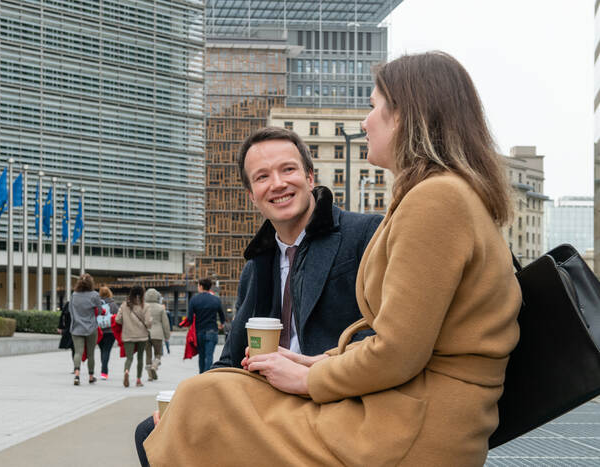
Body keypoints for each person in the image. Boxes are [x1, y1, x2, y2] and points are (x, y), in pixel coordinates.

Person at [142, 52, 522, 465]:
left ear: (406, 115)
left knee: (200, 402)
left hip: (410, 425)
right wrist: (307, 362)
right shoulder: (439, 195)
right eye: (262, 178)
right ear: (251, 196)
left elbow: (398, 351)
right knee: (194, 402)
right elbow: (400, 337)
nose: (364, 121)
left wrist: (309, 376)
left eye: (374, 106)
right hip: (405, 409)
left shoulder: (436, 199)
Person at [134, 123, 384, 465]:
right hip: (267, 402)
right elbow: (230, 359)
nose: (278, 184)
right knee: (152, 430)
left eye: (288, 170)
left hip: (335, 401)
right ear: (252, 195)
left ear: (311, 178)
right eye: (262, 176)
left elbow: (388, 334)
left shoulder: (364, 233)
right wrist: (184, 408)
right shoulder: (258, 264)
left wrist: (318, 370)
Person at [186, 279, 225, 374]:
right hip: (212, 331)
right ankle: (207, 376)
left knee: (202, 356)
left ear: (201, 286)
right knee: (209, 356)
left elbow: (190, 318)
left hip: (199, 332)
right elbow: (222, 316)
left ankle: (201, 375)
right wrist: (221, 324)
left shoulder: (194, 300)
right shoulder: (216, 300)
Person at [116, 285, 152, 387]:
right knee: (140, 357)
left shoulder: (124, 305)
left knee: (129, 357)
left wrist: (126, 322)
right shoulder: (146, 306)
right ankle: (138, 380)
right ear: (142, 294)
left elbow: (117, 319)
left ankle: (126, 371)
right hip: (142, 335)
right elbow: (148, 322)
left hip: (128, 335)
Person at [68, 273, 101, 386]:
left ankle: (77, 374)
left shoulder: (74, 295)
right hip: (91, 327)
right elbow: (100, 310)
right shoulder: (95, 295)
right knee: (91, 353)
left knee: (78, 352)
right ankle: (91, 376)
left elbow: (70, 310)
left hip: (76, 327)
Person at [143, 288, 171, 381]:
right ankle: (154, 366)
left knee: (148, 355)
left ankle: (150, 376)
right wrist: (167, 336)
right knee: (158, 354)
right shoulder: (160, 308)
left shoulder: (143, 307)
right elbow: (165, 323)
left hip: (145, 333)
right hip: (157, 334)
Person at [96, 286, 117, 381]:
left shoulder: (97, 304)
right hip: (110, 331)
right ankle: (104, 372)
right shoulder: (113, 305)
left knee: (102, 350)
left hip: (99, 330)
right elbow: (117, 317)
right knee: (107, 351)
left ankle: (103, 369)